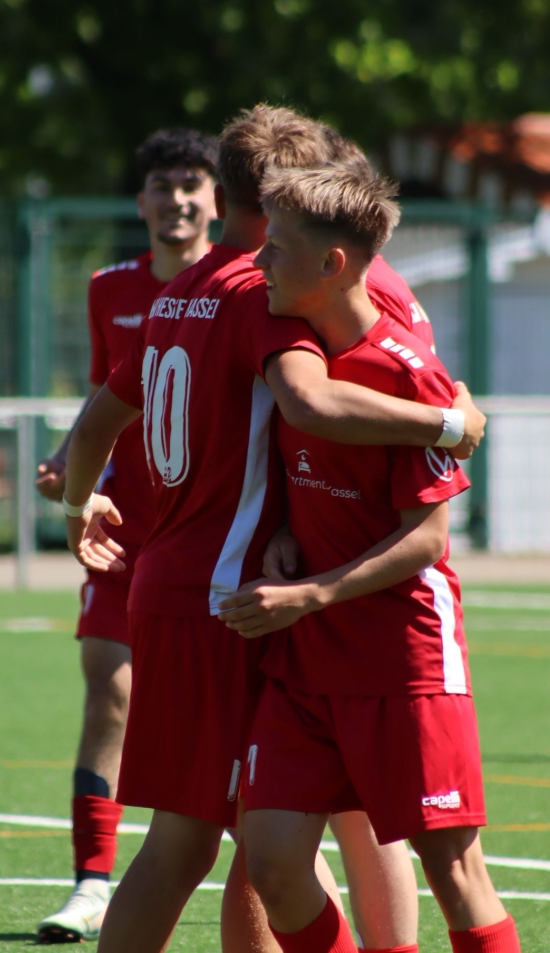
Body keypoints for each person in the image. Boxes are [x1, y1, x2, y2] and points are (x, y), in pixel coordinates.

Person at [62, 105, 486, 953]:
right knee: (274, 835)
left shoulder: (177, 291)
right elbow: (308, 401)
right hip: (240, 598)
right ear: (288, 196)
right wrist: (449, 421)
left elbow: (102, 414)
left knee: (233, 839)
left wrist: (81, 503)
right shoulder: (266, 295)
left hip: (172, 583)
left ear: (222, 192)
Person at [220, 161, 520, 953]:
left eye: (277, 246)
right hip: (307, 664)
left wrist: (310, 593)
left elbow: (428, 540)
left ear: (332, 264)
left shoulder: (409, 377)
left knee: (455, 874)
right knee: (273, 861)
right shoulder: (301, 358)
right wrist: (286, 534)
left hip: (403, 660)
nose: (259, 260)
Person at [35, 127, 218, 943]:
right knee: (110, 690)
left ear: (216, 199)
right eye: (162, 185)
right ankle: (90, 884)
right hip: (121, 530)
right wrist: (69, 462)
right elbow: (105, 397)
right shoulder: (109, 288)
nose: (177, 199)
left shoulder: (239, 284)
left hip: (212, 537)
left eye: (191, 184)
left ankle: (275, 860)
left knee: (228, 716)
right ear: (140, 200)